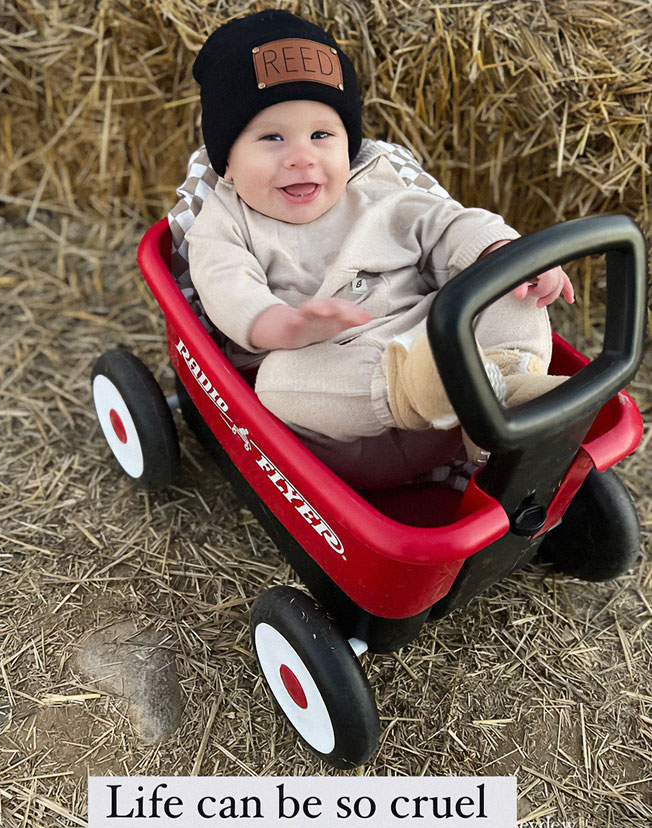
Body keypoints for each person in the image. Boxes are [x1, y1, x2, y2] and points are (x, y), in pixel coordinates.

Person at [184, 9, 574, 487]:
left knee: (510, 286)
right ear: (226, 162)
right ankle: (443, 390)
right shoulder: (223, 223)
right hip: (347, 414)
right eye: (271, 137)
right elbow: (226, 287)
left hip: (441, 352)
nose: (302, 155)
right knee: (276, 384)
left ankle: (514, 388)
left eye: (322, 135)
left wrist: (503, 252)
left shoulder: (378, 188)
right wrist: (284, 325)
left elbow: (447, 224)